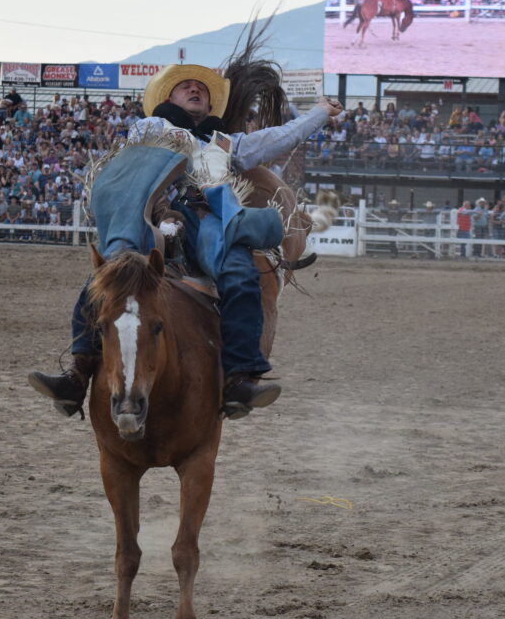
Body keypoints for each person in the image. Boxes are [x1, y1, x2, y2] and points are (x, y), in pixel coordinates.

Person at [29, 61, 342, 420]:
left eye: (202, 89)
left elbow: (279, 138)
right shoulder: (149, 128)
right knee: (108, 275)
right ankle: (78, 373)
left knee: (241, 274)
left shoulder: (225, 143)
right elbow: (135, 173)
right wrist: (161, 211)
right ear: (168, 98)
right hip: (146, 214)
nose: (195, 89)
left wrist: (320, 112)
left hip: (204, 218)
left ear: (210, 105)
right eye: (186, 86)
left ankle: (239, 379)